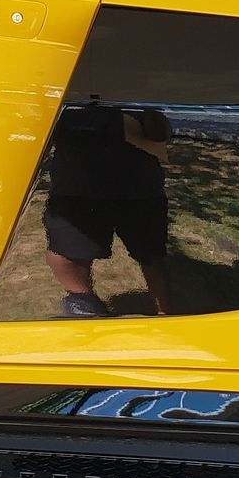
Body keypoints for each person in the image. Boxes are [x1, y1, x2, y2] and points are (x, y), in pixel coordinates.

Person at [42, 102, 174, 318]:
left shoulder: (136, 86)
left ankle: (166, 314)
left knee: (152, 253)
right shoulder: (66, 91)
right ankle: (84, 303)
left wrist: (144, 108)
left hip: (137, 185)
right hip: (75, 183)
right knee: (66, 251)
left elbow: (160, 133)